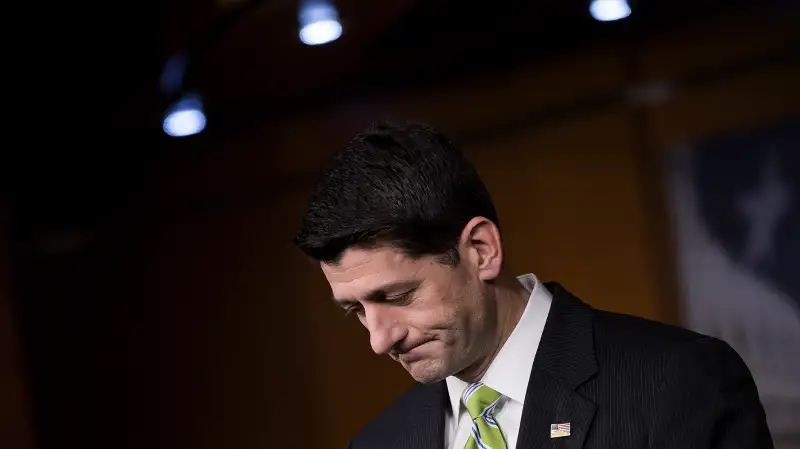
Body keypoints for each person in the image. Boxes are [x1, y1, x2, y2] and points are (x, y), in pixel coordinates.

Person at [292, 120, 774, 449]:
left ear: (481, 250)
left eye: (397, 296)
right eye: (356, 310)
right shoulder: (380, 443)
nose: (379, 340)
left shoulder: (678, 383)